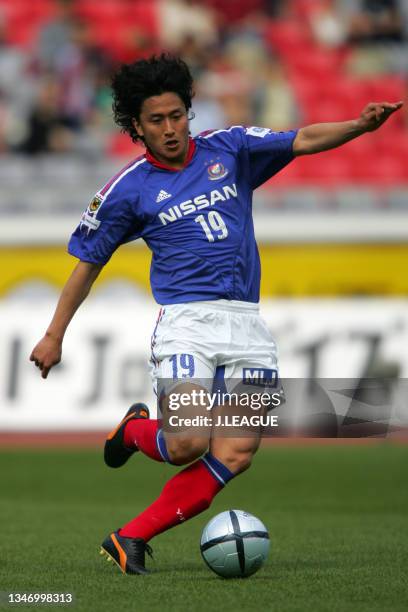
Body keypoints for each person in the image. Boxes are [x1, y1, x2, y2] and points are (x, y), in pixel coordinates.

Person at [30, 53, 402, 575]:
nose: (171, 129)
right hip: (187, 323)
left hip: (248, 324)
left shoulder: (231, 148)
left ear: (189, 111)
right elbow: (87, 266)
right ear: (136, 126)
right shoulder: (127, 189)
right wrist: (53, 336)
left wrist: (360, 126)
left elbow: (302, 139)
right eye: (156, 121)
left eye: (178, 115)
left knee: (235, 452)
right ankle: (139, 431)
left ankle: (129, 537)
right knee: (185, 442)